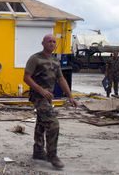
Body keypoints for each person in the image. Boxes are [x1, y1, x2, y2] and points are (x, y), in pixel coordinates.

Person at [24, 34, 77, 169]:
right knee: (53, 124)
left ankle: (38, 151)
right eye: (49, 41)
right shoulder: (35, 58)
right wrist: (41, 90)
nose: (52, 44)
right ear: (43, 43)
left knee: (42, 122)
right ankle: (52, 156)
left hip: (48, 97)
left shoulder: (55, 61)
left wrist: (70, 96)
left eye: (54, 42)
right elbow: (26, 77)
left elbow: (61, 79)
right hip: (38, 96)